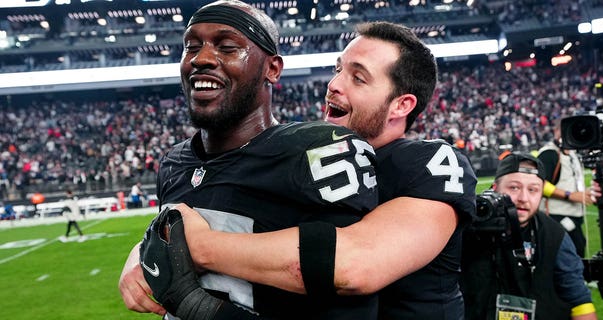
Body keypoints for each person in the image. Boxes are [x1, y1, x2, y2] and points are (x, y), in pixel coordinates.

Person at [167, 21, 477, 319]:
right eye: (338, 69)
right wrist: (148, 250)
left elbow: (355, 265)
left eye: (358, 78)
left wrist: (196, 247)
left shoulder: (429, 162)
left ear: (401, 105)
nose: (333, 85)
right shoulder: (305, 152)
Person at [119, 1, 379, 319]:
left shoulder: (319, 153)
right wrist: (143, 251)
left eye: (227, 47)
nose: (201, 59)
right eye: (191, 47)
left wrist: (193, 303)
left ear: (272, 68)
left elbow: (350, 296)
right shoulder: (175, 162)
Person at [460, 152, 597, 320]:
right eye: (514, 188)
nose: (523, 198)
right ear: (494, 189)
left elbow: (578, 298)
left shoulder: (553, 235)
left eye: (533, 190)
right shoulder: (466, 227)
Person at [537, 118, 593, 257]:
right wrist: (570, 195)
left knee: (578, 249)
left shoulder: (572, 154)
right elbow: (539, 184)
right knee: (569, 253)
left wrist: (582, 193)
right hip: (556, 215)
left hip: (572, 213)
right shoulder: (549, 153)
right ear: (556, 131)